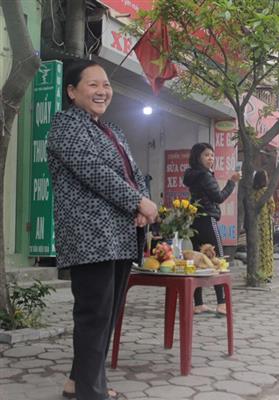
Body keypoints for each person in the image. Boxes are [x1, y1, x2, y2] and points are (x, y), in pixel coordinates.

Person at [48, 60, 158, 400]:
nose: (102, 91)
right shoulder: (65, 126)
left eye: (106, 85)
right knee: (93, 313)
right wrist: (137, 203)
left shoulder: (111, 130)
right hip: (90, 237)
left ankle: (76, 382)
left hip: (118, 236)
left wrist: (141, 205)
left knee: (106, 314)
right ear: (71, 91)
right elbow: (95, 171)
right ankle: (90, 393)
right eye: (93, 84)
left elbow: (133, 172)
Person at [184, 143, 240, 315]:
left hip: (194, 221)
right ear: (198, 157)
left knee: (197, 260)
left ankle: (198, 303)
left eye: (212, 155)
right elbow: (219, 197)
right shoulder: (205, 176)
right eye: (207, 155)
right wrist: (232, 182)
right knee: (218, 259)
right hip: (208, 219)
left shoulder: (191, 175)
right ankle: (221, 303)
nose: (211, 158)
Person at [253, 171, 275, 280]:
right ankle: (267, 273)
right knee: (266, 248)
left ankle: (259, 272)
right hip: (265, 224)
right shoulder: (266, 192)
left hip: (255, 224)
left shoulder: (253, 192)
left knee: (258, 247)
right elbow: (272, 207)